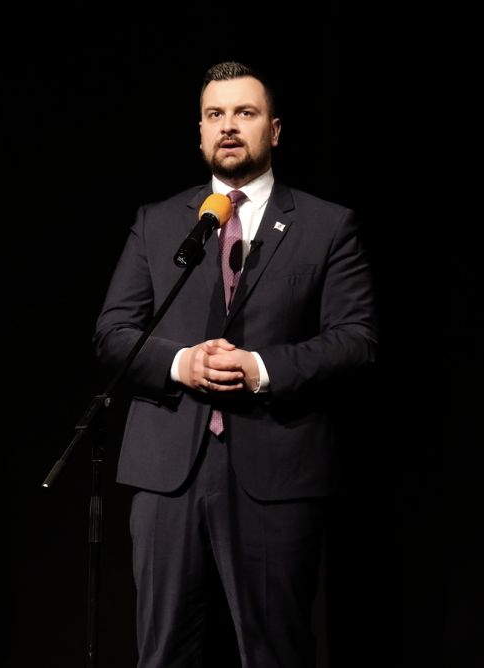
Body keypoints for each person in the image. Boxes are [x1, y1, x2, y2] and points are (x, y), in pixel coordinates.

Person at [93, 61, 378, 667]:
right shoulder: (157, 222)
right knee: (162, 654)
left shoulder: (327, 226)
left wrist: (260, 369)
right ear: (199, 131)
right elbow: (113, 334)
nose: (228, 126)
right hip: (167, 472)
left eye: (245, 113)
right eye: (215, 115)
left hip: (276, 470)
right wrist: (182, 363)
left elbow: (356, 340)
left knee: (276, 653)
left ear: (274, 130)